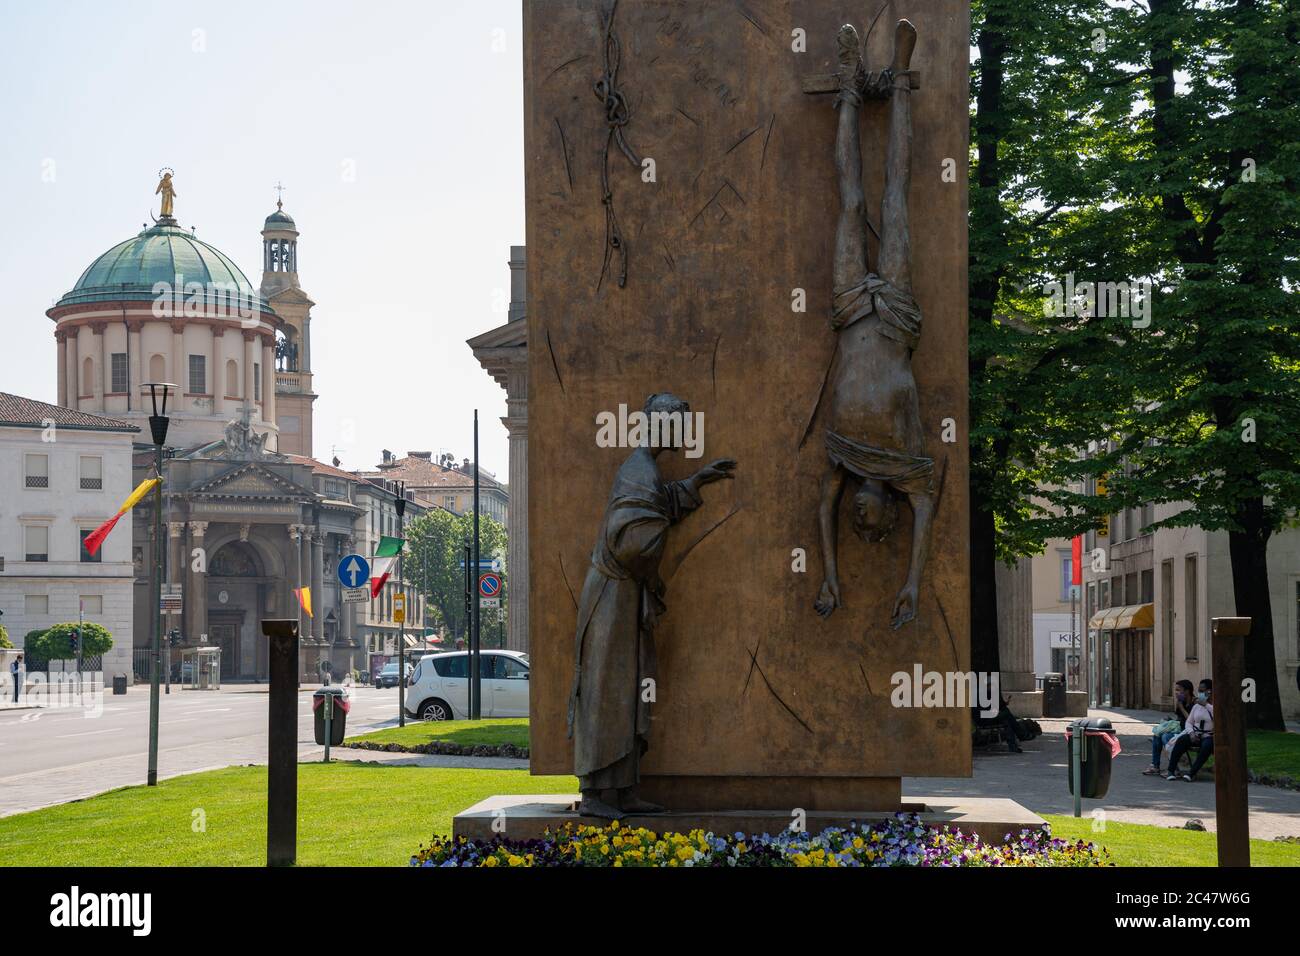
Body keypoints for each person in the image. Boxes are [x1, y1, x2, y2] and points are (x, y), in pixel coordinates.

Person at [1166, 679, 1214, 781]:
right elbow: (1189, 722)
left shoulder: (1213, 706)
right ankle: (1171, 770)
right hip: (1195, 734)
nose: (1200, 693)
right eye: (1199, 691)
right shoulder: (1196, 706)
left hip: (1209, 736)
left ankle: (1191, 773)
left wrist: (1206, 705)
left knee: (1207, 746)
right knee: (1181, 740)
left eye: (1202, 691)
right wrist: (1191, 733)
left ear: (1209, 691)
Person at [1144, 679, 1194, 775]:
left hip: (1189, 731)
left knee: (1166, 737)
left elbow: (1191, 720)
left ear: (1187, 691)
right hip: (1180, 728)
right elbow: (1180, 719)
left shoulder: (1194, 703)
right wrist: (1170, 720)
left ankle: (1173, 768)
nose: (1176, 692)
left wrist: (1181, 707)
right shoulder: (1181, 701)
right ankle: (1155, 765)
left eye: (1178, 690)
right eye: (1175, 690)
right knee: (1157, 734)